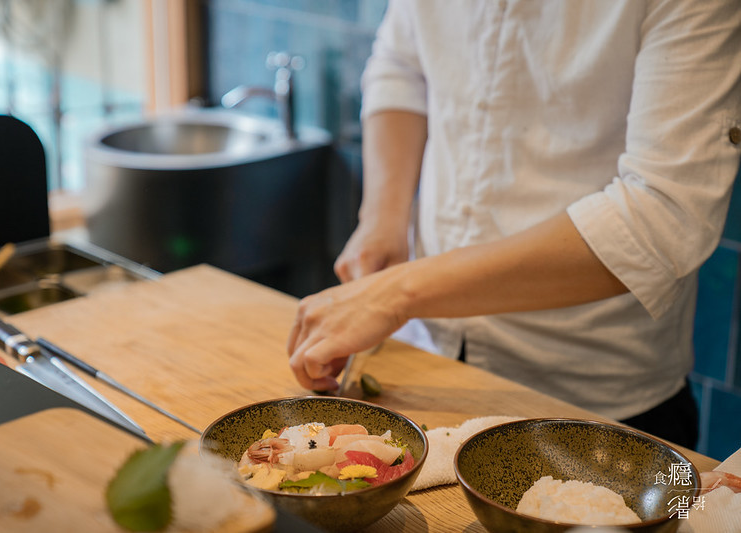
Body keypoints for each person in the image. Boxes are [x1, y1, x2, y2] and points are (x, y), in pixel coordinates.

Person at [287, 0, 741, 449]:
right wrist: (382, 218)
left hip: (594, 400)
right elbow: (400, 66)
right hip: (425, 364)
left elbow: (662, 215)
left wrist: (397, 294)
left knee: (685, 512)